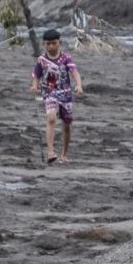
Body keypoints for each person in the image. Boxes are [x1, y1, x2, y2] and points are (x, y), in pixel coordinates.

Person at [31, 28, 84, 164]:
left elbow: (75, 72)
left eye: (54, 43)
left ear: (59, 42)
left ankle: (64, 154)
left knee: (67, 125)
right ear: (44, 44)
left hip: (65, 94)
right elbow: (36, 75)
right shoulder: (41, 60)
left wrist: (78, 85)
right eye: (48, 44)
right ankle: (50, 152)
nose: (51, 46)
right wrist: (34, 86)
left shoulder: (66, 58)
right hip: (49, 92)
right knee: (51, 118)